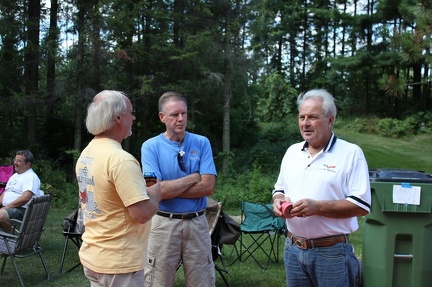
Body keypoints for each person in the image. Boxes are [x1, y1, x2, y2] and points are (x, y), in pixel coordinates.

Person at [272, 89, 371, 287]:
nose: (305, 123)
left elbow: (361, 205)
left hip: (331, 253)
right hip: (293, 249)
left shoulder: (351, 153)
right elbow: (279, 188)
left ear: (330, 120)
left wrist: (318, 207)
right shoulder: (292, 152)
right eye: (302, 117)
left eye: (313, 117)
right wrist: (278, 201)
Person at [75, 90, 160, 287]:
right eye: (131, 112)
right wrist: (156, 193)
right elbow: (142, 214)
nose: (134, 117)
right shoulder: (121, 160)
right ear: (118, 117)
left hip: (94, 255)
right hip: (119, 263)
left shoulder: (87, 153)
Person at [141, 91, 217, 287]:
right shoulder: (150, 147)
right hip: (163, 224)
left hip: (198, 223)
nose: (181, 119)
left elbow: (208, 187)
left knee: (202, 283)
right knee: (157, 282)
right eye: (174, 115)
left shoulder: (202, 142)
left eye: (184, 113)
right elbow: (153, 190)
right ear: (162, 117)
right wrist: (193, 178)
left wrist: (166, 187)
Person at [0, 150, 41, 233]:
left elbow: (26, 198)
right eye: (15, 160)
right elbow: (5, 193)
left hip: (21, 210)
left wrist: (7, 207)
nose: (15, 163)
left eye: (19, 161)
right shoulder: (14, 176)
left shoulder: (31, 177)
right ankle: (9, 237)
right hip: (8, 208)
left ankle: (10, 237)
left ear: (28, 164)